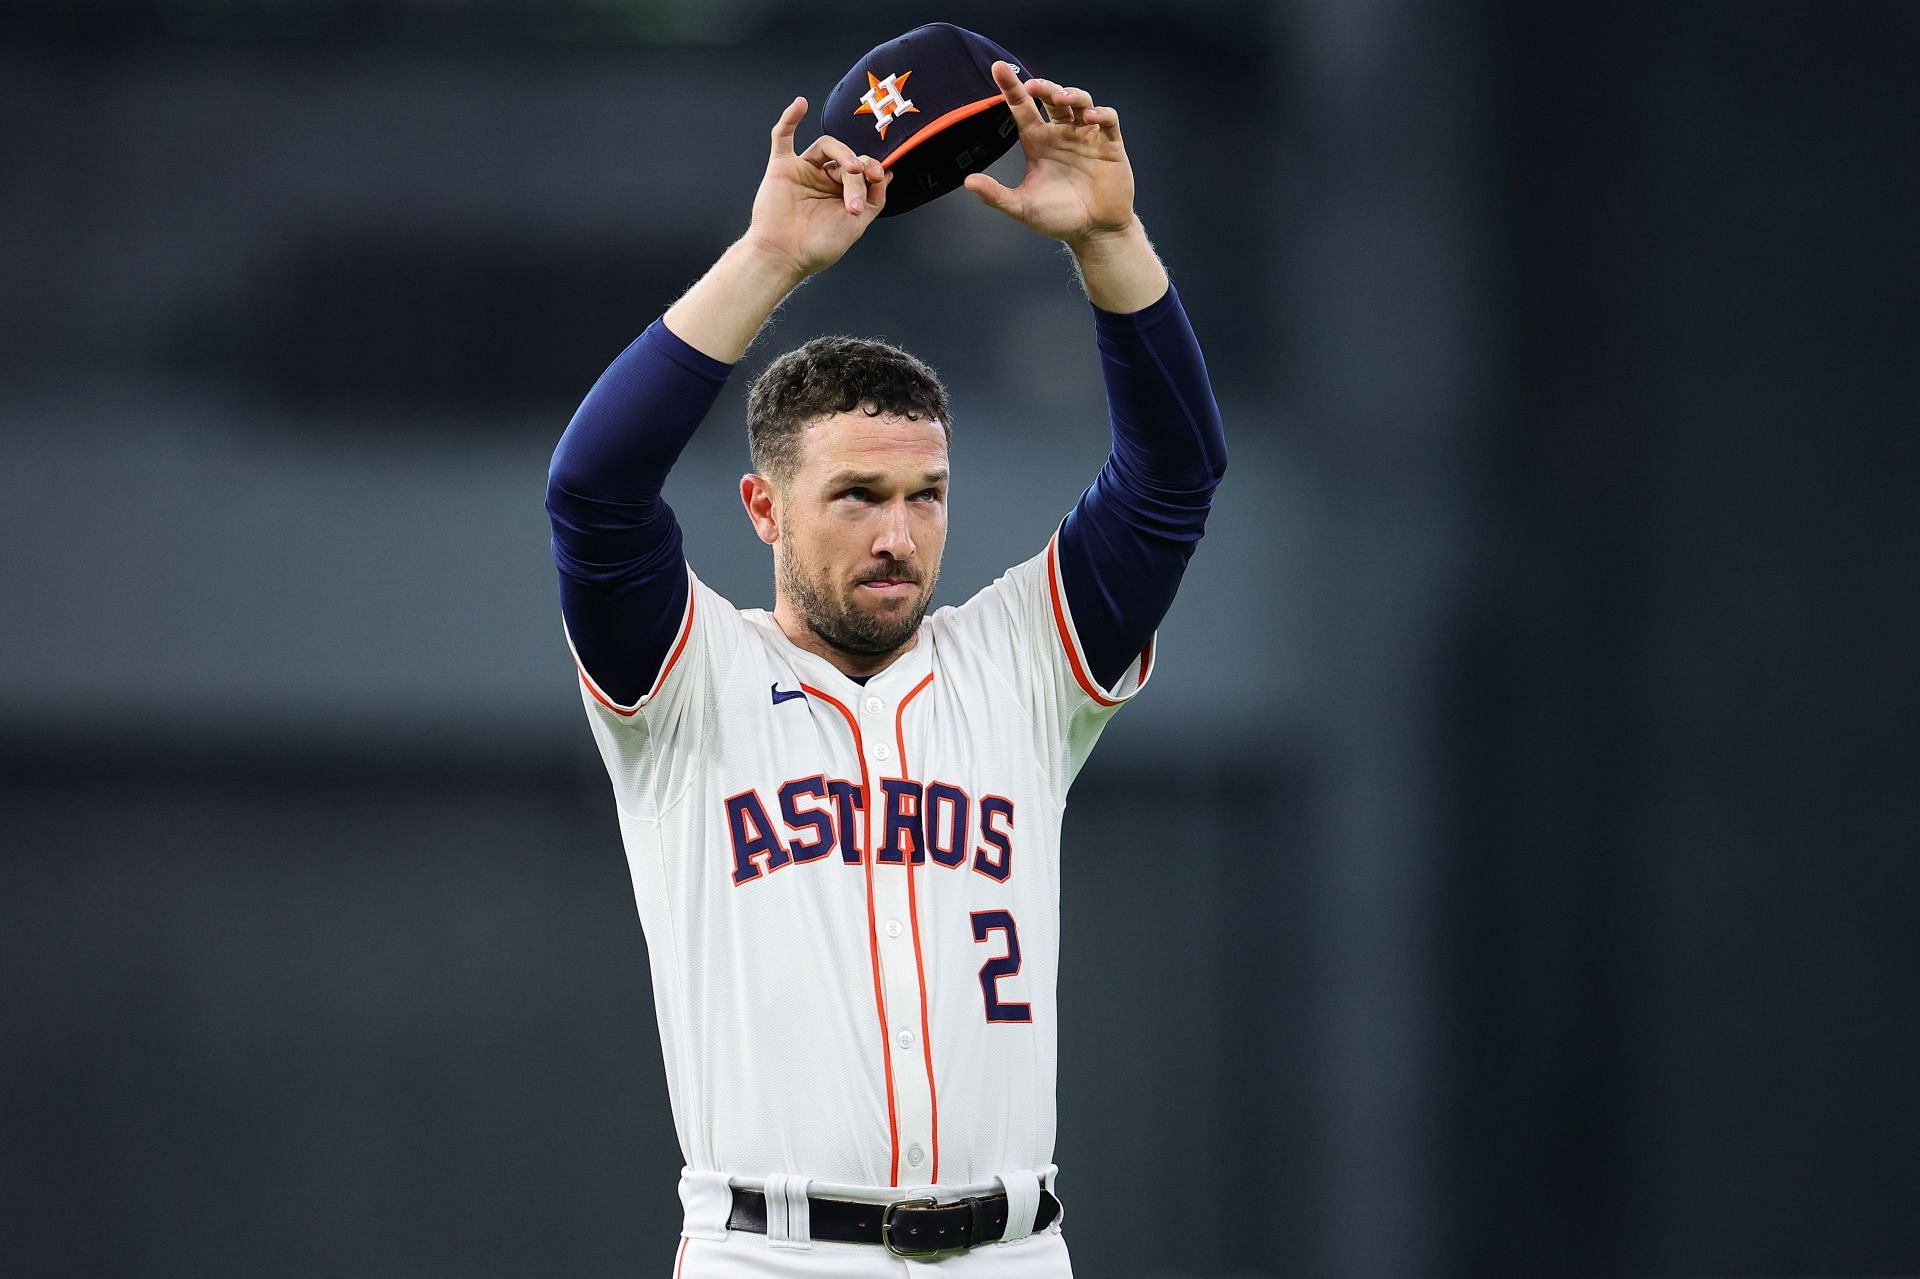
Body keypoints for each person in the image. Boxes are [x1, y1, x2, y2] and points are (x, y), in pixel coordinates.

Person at [546, 58, 1226, 1277]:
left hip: (1014, 1247)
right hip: (774, 1251)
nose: (899, 535)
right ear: (762, 505)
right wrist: (771, 260)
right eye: (856, 495)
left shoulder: (1021, 664)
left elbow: (1173, 478)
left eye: (926, 496)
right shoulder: (685, 684)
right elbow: (593, 490)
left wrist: (1112, 240)